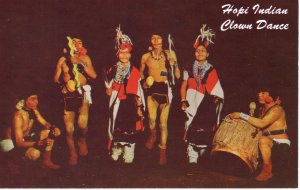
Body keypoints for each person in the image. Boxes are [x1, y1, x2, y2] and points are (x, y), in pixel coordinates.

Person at [180, 25, 224, 164]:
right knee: (190, 124)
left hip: (206, 103)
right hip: (191, 100)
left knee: (204, 127)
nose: (200, 53)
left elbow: (216, 87)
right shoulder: (188, 68)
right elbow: (184, 86)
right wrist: (183, 99)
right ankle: (192, 155)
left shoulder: (211, 69)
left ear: (207, 54)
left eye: (203, 51)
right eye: (198, 51)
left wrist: (216, 97)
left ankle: (204, 155)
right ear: (195, 53)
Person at [54, 37, 97, 165]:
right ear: (69, 44)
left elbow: (94, 75)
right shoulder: (62, 60)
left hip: (83, 93)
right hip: (68, 94)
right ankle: (73, 152)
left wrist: (79, 63)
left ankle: (82, 140)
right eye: (74, 42)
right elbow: (55, 78)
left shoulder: (86, 58)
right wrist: (63, 85)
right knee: (69, 129)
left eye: (80, 42)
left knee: (83, 124)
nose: (77, 44)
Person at [104, 25, 145, 163]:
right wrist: (109, 88)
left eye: (127, 53)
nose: (124, 55)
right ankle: (116, 150)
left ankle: (129, 152)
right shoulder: (112, 69)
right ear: (117, 54)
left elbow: (139, 90)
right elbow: (108, 84)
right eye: (121, 53)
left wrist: (139, 105)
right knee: (116, 126)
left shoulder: (134, 70)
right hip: (118, 101)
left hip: (130, 103)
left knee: (130, 127)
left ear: (130, 55)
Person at [230, 89, 290, 181]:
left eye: (263, 93)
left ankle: (267, 171)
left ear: (271, 97)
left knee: (263, 140)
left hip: (281, 146)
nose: (259, 94)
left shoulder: (277, 109)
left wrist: (242, 115)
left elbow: (262, 123)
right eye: (259, 92)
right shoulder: (262, 109)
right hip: (268, 145)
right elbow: (258, 126)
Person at [140, 31, 180, 165]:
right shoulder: (145, 57)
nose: (156, 40)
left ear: (163, 41)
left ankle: (162, 151)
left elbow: (178, 76)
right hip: (152, 90)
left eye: (159, 38)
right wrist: (144, 82)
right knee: (151, 119)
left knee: (163, 124)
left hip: (165, 90)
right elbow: (141, 73)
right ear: (150, 40)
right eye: (153, 37)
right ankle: (152, 134)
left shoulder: (170, 54)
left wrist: (173, 65)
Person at [10, 91, 61, 169]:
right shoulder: (18, 116)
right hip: (15, 146)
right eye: (33, 99)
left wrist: (54, 128)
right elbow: (19, 143)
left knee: (51, 133)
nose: (37, 101)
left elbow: (45, 123)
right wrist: (39, 143)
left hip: (27, 139)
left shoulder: (33, 111)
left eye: (37, 99)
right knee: (35, 154)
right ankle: (15, 162)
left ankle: (46, 161)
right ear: (24, 100)